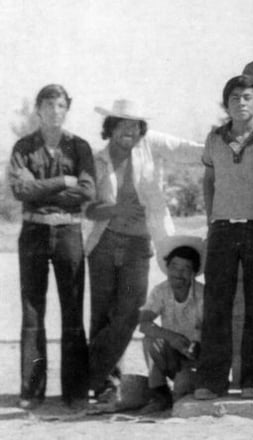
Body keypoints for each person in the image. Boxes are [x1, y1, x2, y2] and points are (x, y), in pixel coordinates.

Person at [86, 99, 203, 404]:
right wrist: (115, 209)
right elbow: (88, 209)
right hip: (104, 242)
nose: (129, 130)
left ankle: (86, 373)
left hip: (139, 243)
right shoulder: (97, 160)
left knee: (129, 312)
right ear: (110, 127)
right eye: (122, 123)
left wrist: (223, 145)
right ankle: (106, 384)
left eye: (135, 124)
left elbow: (187, 150)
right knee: (102, 315)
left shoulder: (150, 144)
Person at [194, 75, 253, 400]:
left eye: (247, 97)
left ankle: (251, 381)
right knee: (216, 304)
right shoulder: (214, 139)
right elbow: (208, 181)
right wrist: (210, 220)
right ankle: (212, 381)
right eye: (234, 97)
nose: (241, 103)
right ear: (227, 103)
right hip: (222, 228)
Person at [8, 84, 94, 409]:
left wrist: (39, 188)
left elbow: (86, 191)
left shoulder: (79, 147)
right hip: (33, 231)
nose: (54, 111)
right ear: (38, 109)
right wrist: (62, 182)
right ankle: (32, 391)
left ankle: (75, 391)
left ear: (67, 109)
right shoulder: (24, 146)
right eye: (48, 105)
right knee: (32, 311)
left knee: (72, 310)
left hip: (69, 231)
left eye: (60, 105)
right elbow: (20, 190)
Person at [138, 235, 205, 412]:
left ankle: (183, 389)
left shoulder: (203, 295)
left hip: (196, 359)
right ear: (167, 268)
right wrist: (171, 337)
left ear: (193, 273)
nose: (178, 274)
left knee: (182, 391)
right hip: (171, 353)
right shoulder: (160, 291)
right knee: (149, 340)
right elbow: (143, 324)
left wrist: (196, 347)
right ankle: (159, 394)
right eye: (174, 266)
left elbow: (213, 334)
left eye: (185, 269)